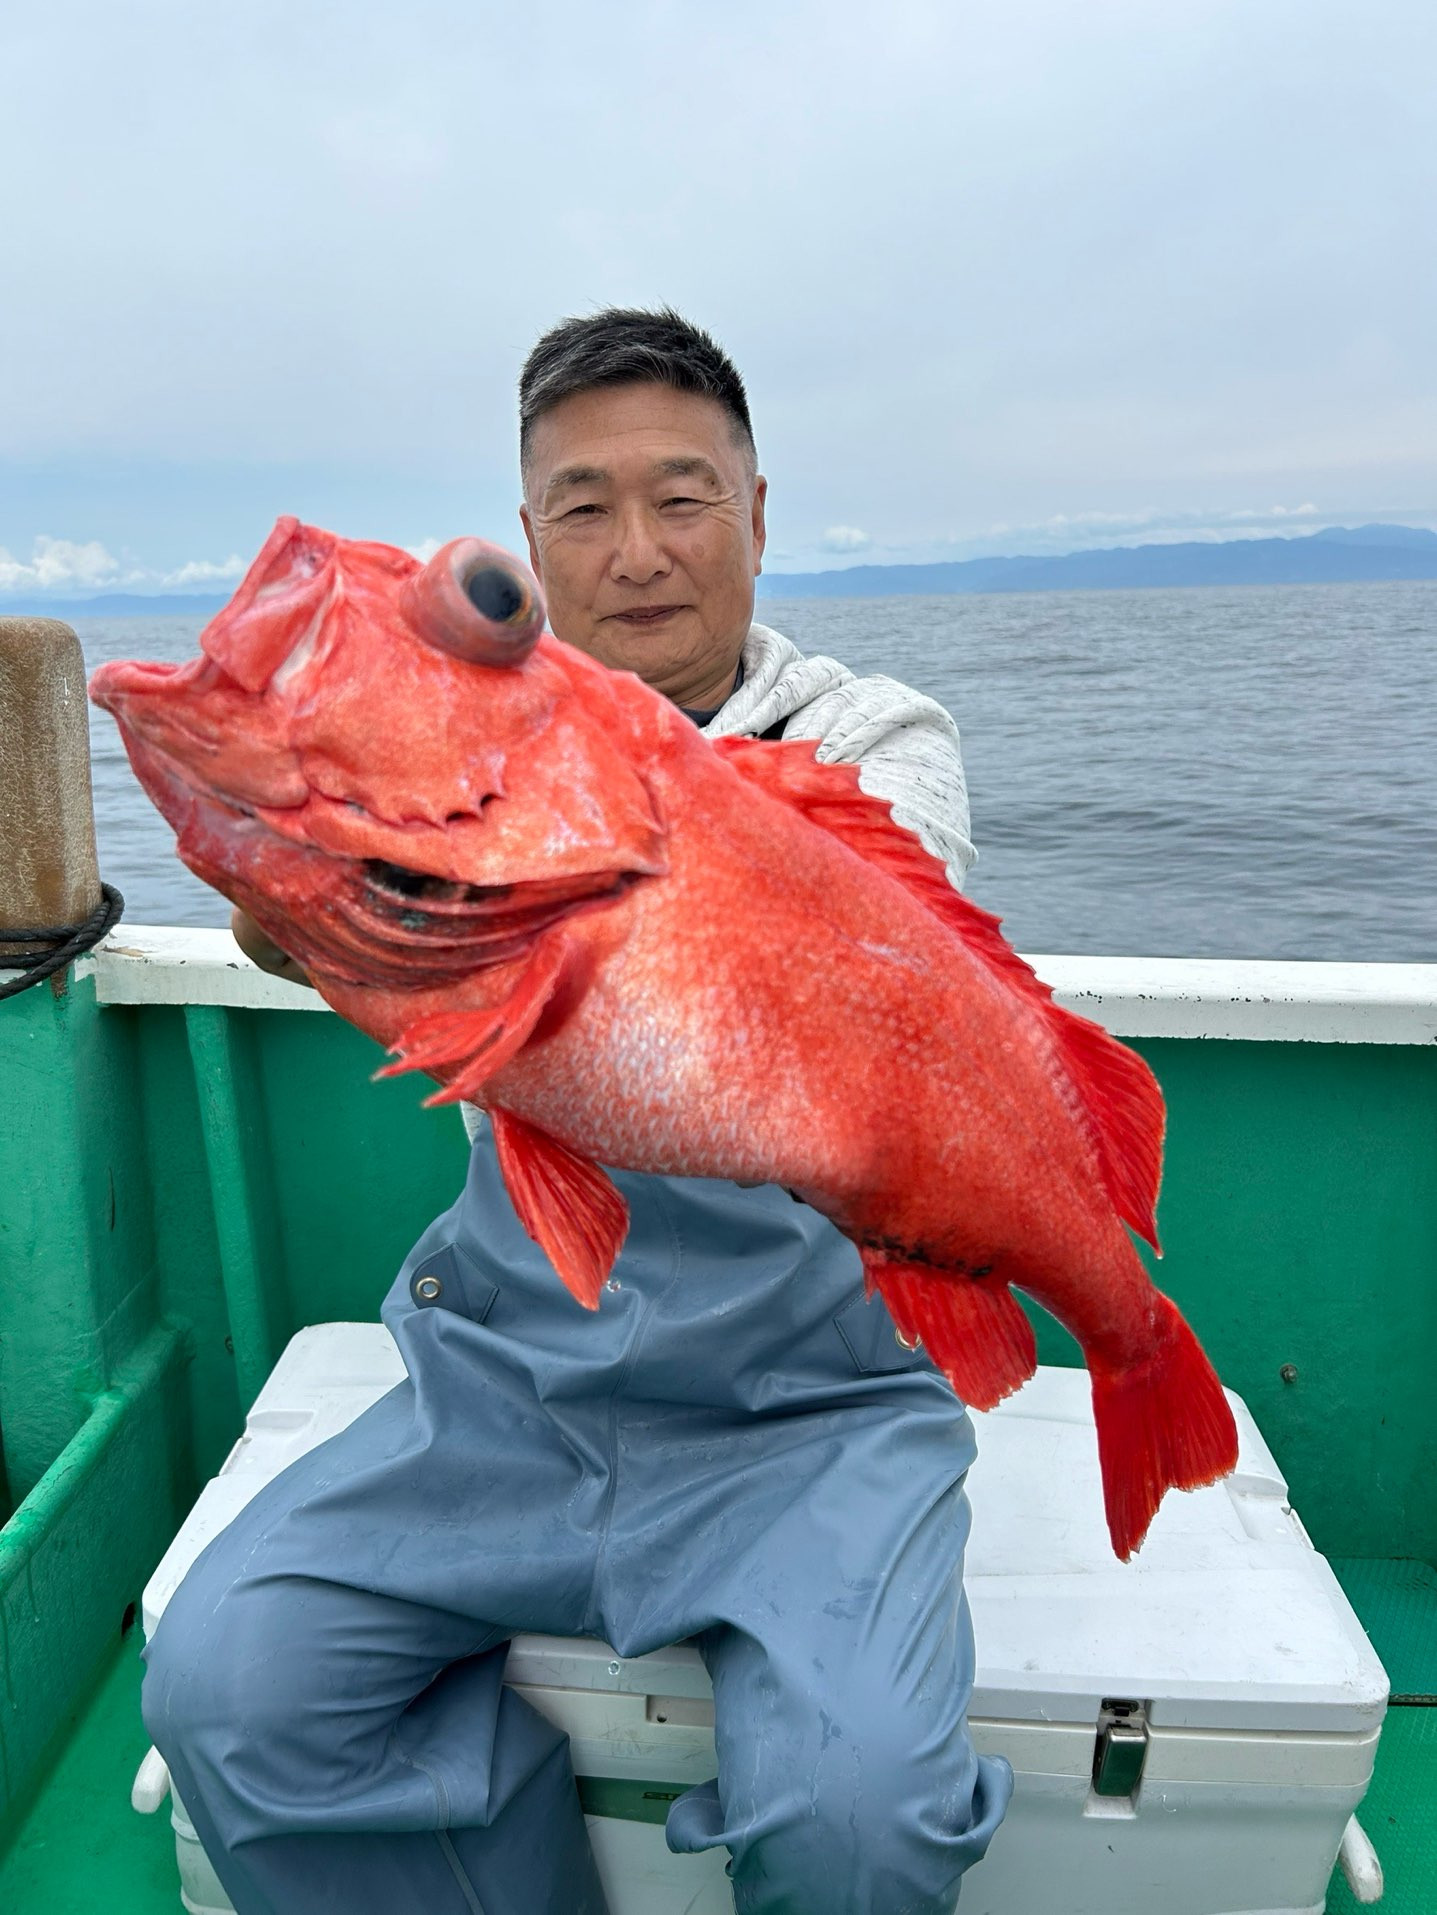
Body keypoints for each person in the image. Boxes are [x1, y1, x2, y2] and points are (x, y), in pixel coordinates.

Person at [145, 308, 1013, 1915]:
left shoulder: (870, 739)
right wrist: (310, 869)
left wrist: (496, 824)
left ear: (756, 514)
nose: (639, 553)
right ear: (532, 537)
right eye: (583, 508)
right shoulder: (471, 752)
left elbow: (896, 940)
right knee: (227, 1684)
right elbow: (314, 911)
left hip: (802, 1416)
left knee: (859, 1817)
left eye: (682, 498)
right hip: (505, 1390)